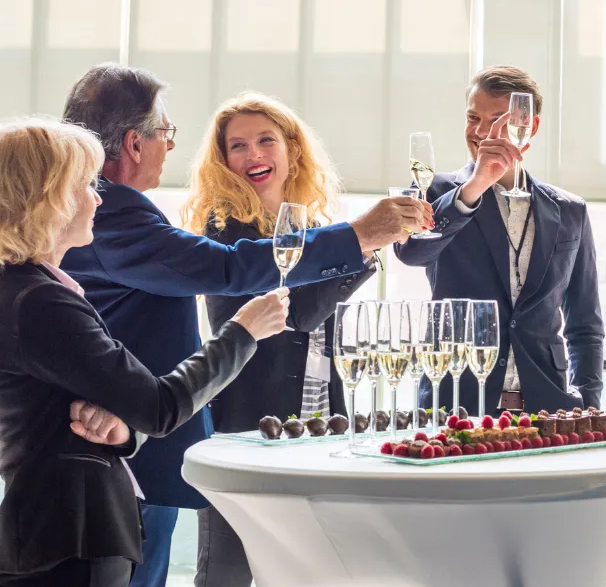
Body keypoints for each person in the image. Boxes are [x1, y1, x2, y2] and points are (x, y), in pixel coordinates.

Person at [58, 64, 431, 586]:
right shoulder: (115, 212)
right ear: (134, 144)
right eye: (166, 134)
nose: (170, 148)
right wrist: (363, 234)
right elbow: (232, 269)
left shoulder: (114, 210)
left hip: (135, 438)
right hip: (122, 443)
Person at [0, 118, 290, 586]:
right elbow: (158, 406)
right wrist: (242, 333)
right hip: (68, 540)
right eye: (85, 186)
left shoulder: (33, 292)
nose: (98, 198)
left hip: (62, 536)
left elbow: (84, 418)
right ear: (47, 198)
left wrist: (121, 431)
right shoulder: (38, 301)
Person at [178, 93, 378, 585]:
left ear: (292, 149)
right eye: (238, 146)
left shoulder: (316, 229)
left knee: (314, 570)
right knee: (228, 571)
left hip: (318, 424)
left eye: (266, 140)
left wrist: (357, 250)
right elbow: (301, 315)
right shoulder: (224, 235)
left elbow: (325, 329)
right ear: (224, 162)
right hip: (248, 426)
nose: (253, 155)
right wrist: (364, 248)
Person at [395, 65, 603, 416]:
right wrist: (474, 187)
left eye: (496, 121)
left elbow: (585, 323)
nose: (480, 132)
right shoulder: (433, 191)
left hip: (549, 412)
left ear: (529, 126)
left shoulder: (570, 211)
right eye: (473, 118)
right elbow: (412, 252)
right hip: (456, 406)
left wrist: (587, 402)